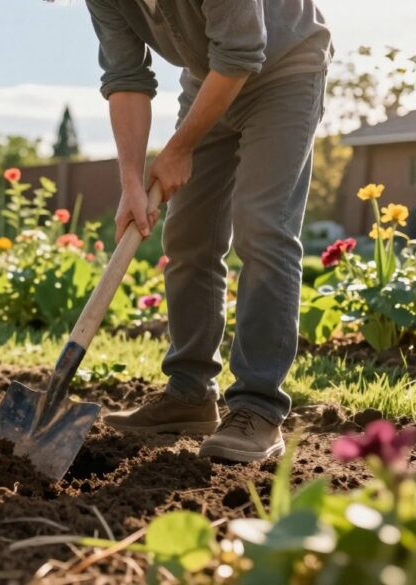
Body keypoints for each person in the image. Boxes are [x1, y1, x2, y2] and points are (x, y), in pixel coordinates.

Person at [83, 0, 332, 461]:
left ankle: (258, 407)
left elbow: (241, 50)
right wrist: (131, 183)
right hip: (209, 80)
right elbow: (126, 78)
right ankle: (190, 393)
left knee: (262, 227)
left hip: (285, 69)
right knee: (188, 236)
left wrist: (179, 149)